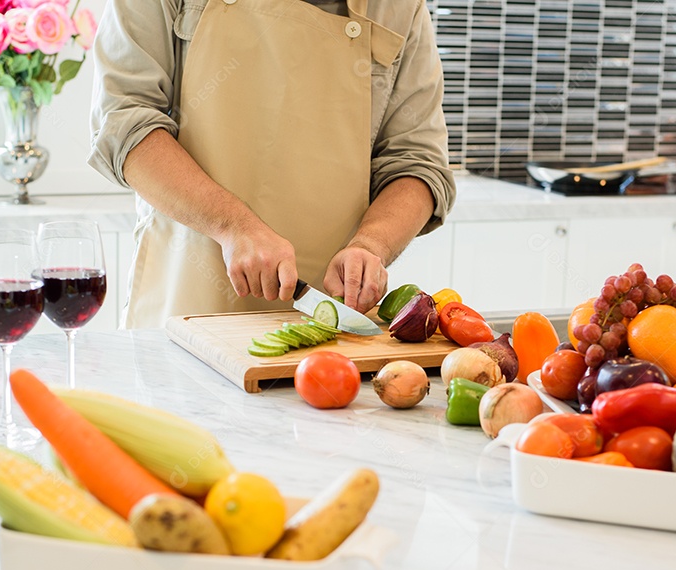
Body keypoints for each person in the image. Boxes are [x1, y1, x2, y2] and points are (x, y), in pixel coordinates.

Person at [89, 0, 456, 328]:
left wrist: (371, 245)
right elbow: (125, 124)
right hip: (187, 302)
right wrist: (233, 226)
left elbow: (418, 162)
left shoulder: (401, 8)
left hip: (328, 325)